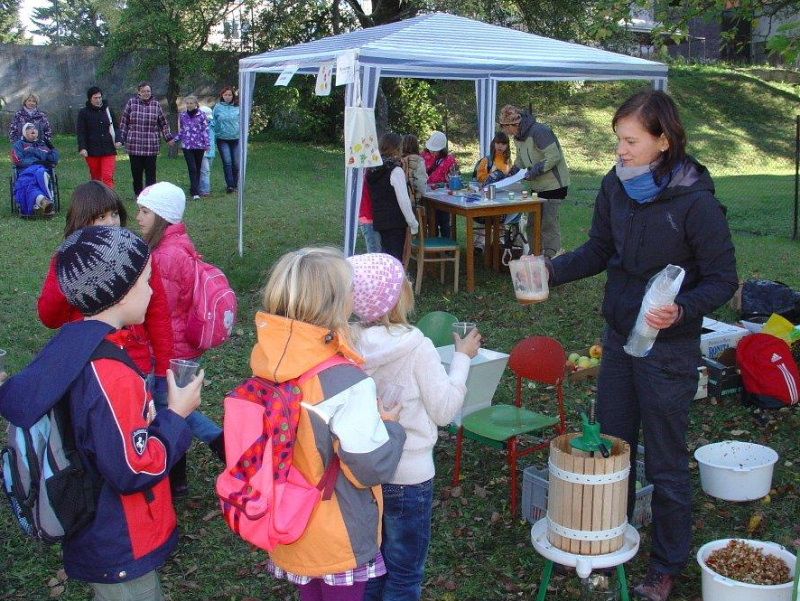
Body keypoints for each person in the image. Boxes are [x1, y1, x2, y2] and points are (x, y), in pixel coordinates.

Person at [546, 90, 737, 601]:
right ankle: (609, 539)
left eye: (631, 141)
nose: (621, 151)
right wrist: (548, 271)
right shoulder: (616, 185)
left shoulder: (695, 202)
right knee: (612, 447)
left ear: (663, 141)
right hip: (619, 338)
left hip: (668, 349)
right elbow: (599, 250)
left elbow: (722, 280)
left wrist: (682, 310)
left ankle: (666, 564)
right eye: (618, 140)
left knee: (666, 459)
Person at [0, 225, 203, 600]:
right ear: (119, 291)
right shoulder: (111, 373)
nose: (152, 290)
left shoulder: (73, 342)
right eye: (146, 281)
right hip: (118, 536)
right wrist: (176, 415)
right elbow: (132, 468)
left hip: (94, 527)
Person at [250, 246, 406, 601]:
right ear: (335, 304)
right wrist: (390, 427)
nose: (356, 295)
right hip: (337, 529)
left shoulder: (269, 359)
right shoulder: (343, 381)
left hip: (289, 518)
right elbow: (368, 466)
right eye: (351, 289)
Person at [35, 181, 197, 493]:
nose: (109, 223)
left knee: (147, 422)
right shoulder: (69, 263)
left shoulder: (134, 256)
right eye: (99, 218)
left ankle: (166, 480)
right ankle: (105, 478)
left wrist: (164, 367)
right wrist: (66, 272)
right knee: (103, 428)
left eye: (113, 215)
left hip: (136, 363)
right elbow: (49, 316)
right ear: (80, 222)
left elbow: (158, 313)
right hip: (89, 364)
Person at [348, 253, 481, 601]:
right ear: (398, 296)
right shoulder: (417, 346)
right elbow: (444, 410)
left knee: (373, 569)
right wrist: (463, 357)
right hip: (409, 477)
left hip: (364, 473)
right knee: (405, 575)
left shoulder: (346, 342)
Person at [136, 181, 225, 494]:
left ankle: (221, 443)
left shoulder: (165, 256)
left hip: (171, 350)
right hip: (183, 346)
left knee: (172, 410)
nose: (138, 217)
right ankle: (178, 480)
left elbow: (159, 309)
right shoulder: (178, 243)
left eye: (145, 211)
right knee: (172, 409)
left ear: (162, 215)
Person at [499, 104, 570, 258]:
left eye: (505, 127)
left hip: (554, 184)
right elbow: (521, 158)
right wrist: (513, 171)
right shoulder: (519, 136)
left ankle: (552, 257)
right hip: (537, 185)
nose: (505, 131)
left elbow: (554, 156)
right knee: (532, 223)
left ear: (514, 124)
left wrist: (534, 171)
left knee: (548, 224)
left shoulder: (540, 131)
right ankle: (534, 255)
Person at [366, 133, 419, 263]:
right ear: (396, 149)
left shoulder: (374, 169)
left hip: (380, 219)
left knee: (386, 258)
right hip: (395, 222)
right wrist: (413, 222)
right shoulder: (395, 170)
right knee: (395, 260)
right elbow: (403, 200)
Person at [119, 82, 173, 197]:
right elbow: (124, 122)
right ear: (139, 92)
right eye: (143, 91)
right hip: (134, 145)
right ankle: (138, 195)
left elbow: (163, 123)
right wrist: (121, 139)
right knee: (136, 173)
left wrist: (168, 137)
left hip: (151, 146)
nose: (146, 93)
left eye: (148, 91)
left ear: (151, 92)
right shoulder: (131, 103)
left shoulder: (156, 105)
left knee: (151, 174)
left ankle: (150, 196)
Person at [76, 86, 122, 188]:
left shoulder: (108, 110)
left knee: (107, 176)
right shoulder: (83, 113)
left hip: (109, 149)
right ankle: (97, 200)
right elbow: (81, 132)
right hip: (92, 150)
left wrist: (118, 140)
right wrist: (82, 147)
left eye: (100, 97)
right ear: (90, 99)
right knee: (96, 178)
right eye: (95, 98)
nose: (98, 100)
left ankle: (110, 200)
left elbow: (116, 127)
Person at [11, 122, 59, 215]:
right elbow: (17, 160)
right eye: (29, 128)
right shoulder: (19, 145)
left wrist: (52, 149)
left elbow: (54, 160)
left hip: (43, 169)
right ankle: (46, 200)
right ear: (24, 132)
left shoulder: (43, 144)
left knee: (33, 181)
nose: (33, 129)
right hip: (26, 171)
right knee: (34, 178)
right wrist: (34, 162)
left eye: (35, 128)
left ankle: (41, 202)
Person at [170, 95, 210, 201]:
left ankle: (195, 188)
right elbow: (183, 130)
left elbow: (205, 130)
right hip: (187, 146)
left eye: (191, 103)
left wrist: (207, 144)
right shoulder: (183, 115)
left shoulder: (202, 115)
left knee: (197, 168)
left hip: (199, 146)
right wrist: (175, 139)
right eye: (187, 103)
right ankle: (194, 192)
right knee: (192, 168)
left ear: (196, 104)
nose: (189, 105)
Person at [421, 131, 457, 237]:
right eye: (431, 149)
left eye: (435, 150)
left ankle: (447, 247)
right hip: (427, 196)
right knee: (432, 222)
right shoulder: (422, 157)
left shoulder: (449, 160)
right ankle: (434, 247)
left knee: (444, 222)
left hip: (443, 196)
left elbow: (453, 176)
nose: (433, 152)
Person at [212, 86, 240, 193]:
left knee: (236, 163)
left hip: (236, 138)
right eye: (225, 95)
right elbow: (213, 120)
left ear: (233, 96)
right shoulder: (218, 107)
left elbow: (243, 121)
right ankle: (230, 185)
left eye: (229, 95)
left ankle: (236, 184)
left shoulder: (238, 107)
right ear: (222, 96)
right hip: (222, 138)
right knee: (227, 162)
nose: (227, 97)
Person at [401, 134, 428, 203]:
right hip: (413, 198)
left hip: (400, 197)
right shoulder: (418, 160)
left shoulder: (399, 159)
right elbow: (420, 182)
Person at [198, 105, 216, 196]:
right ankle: (205, 191)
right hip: (202, 152)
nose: (208, 120)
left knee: (206, 171)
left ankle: (201, 187)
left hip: (211, 152)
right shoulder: (198, 126)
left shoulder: (213, 125)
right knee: (205, 171)